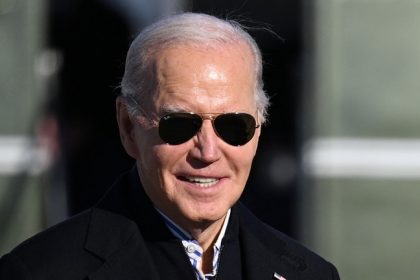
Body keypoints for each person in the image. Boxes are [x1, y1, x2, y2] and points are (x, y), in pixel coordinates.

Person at [0, 12, 340, 280]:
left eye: (234, 126)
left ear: (259, 130)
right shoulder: (39, 272)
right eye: (180, 125)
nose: (208, 151)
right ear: (128, 127)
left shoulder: (310, 274)